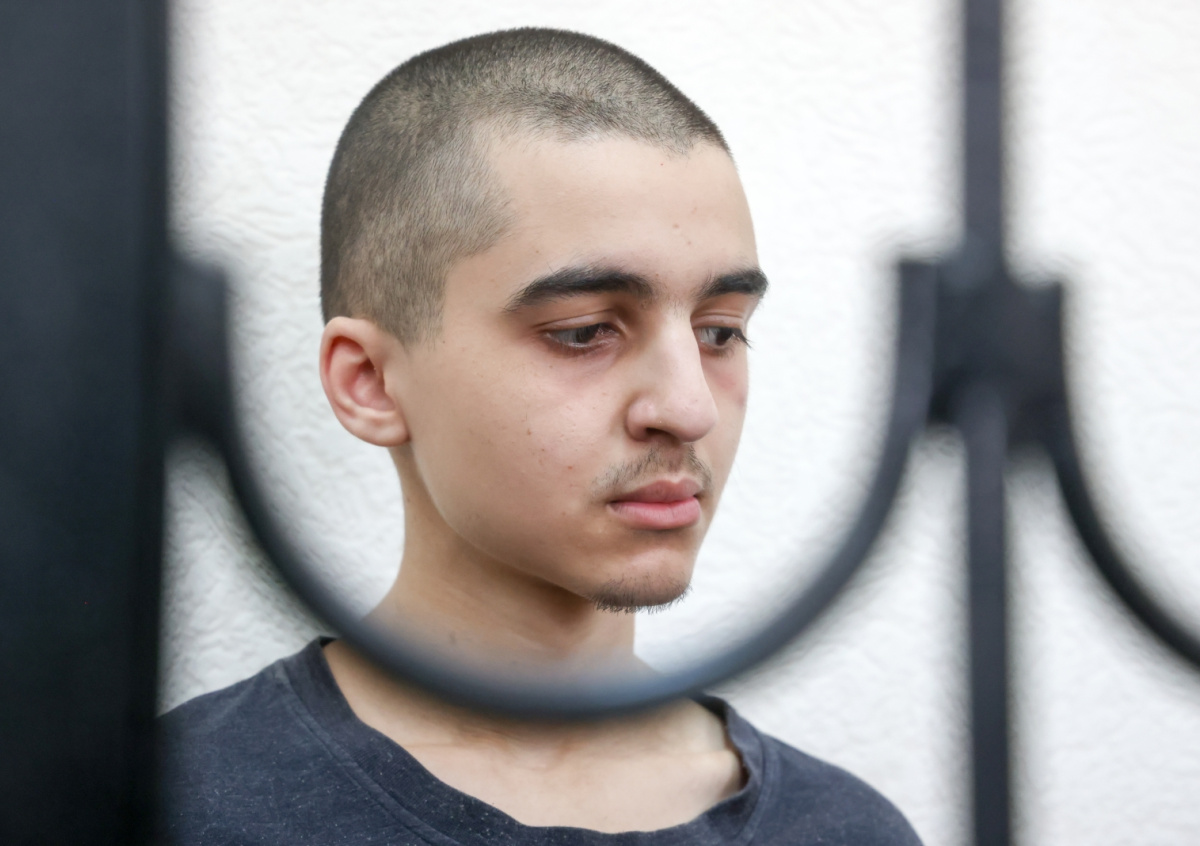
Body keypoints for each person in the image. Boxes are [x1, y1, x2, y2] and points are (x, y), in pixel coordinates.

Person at [161, 28, 924, 845]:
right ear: (371, 382)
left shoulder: (845, 830)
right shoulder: (162, 802)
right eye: (586, 331)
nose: (689, 408)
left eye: (720, 332)